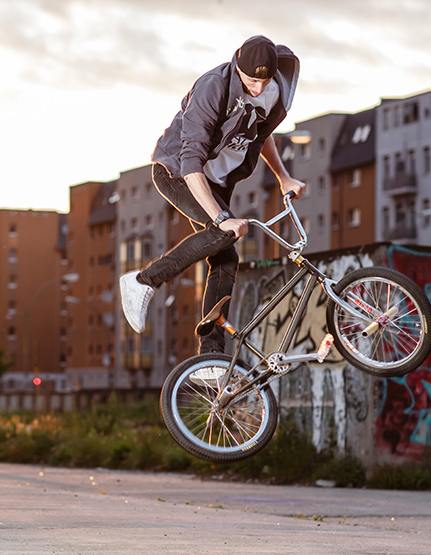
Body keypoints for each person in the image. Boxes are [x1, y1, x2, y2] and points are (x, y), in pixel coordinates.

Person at [120, 35, 307, 355]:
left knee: (226, 260)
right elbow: (190, 159)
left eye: (264, 81)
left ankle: (210, 354)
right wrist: (221, 218)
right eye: (251, 81)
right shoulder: (213, 88)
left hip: (217, 182)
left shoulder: (272, 90)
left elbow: (262, 135)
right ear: (237, 68)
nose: (258, 89)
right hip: (178, 173)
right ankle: (143, 281)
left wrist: (283, 177)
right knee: (222, 236)